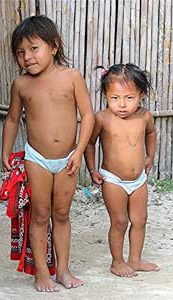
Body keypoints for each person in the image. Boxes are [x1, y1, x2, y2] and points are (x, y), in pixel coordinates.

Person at [2, 15, 94, 292]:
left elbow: (87, 115)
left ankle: (63, 270)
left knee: (62, 214)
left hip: (68, 157)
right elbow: (12, 119)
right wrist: (5, 152)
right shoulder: (21, 85)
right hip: (37, 159)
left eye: (33, 48)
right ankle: (42, 273)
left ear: (54, 47)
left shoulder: (71, 77)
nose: (27, 57)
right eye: (20, 52)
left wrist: (78, 151)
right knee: (40, 214)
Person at [84, 63, 159, 278]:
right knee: (119, 222)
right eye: (114, 98)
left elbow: (151, 134)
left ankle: (135, 259)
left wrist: (149, 157)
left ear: (141, 95)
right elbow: (90, 144)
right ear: (106, 96)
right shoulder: (103, 118)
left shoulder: (144, 116)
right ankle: (117, 262)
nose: (122, 105)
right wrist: (92, 169)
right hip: (113, 179)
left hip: (138, 180)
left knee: (140, 220)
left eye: (129, 98)